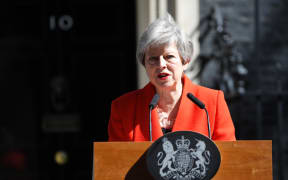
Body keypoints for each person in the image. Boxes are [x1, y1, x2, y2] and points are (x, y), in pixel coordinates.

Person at [108, 14, 235, 141]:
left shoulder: (211, 103)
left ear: (185, 61)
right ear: (144, 64)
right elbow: (116, 159)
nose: (161, 64)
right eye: (153, 59)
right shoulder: (123, 108)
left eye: (169, 57)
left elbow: (231, 156)